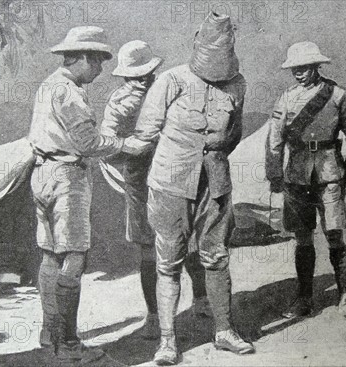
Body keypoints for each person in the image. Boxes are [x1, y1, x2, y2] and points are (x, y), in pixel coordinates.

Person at [122, 13, 254, 365]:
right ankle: (167, 340)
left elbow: (235, 133)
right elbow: (145, 135)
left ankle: (224, 330)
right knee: (168, 264)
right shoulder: (171, 80)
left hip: (215, 183)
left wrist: (213, 156)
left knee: (216, 257)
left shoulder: (238, 84)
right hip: (169, 184)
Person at [99, 40, 210, 340]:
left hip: (176, 173)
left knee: (186, 239)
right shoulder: (119, 102)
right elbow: (107, 145)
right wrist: (137, 145)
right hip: (140, 180)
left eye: (145, 74)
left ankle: (202, 300)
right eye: (135, 76)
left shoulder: (170, 89)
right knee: (149, 250)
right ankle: (154, 316)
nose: (141, 80)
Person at [28, 26, 123, 363]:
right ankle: (68, 344)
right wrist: (125, 145)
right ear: (83, 57)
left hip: (41, 172)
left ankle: (48, 335)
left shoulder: (47, 84)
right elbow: (88, 143)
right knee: (74, 257)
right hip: (67, 176)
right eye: (98, 61)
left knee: (51, 255)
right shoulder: (68, 91)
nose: (100, 70)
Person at [265, 41, 346, 319]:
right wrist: (274, 173)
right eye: (295, 69)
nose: (298, 74)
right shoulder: (286, 98)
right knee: (302, 238)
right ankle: (305, 298)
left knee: (334, 233)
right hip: (296, 174)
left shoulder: (337, 95)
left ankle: (345, 295)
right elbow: (275, 139)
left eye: (304, 68)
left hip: (329, 171)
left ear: (315, 67)